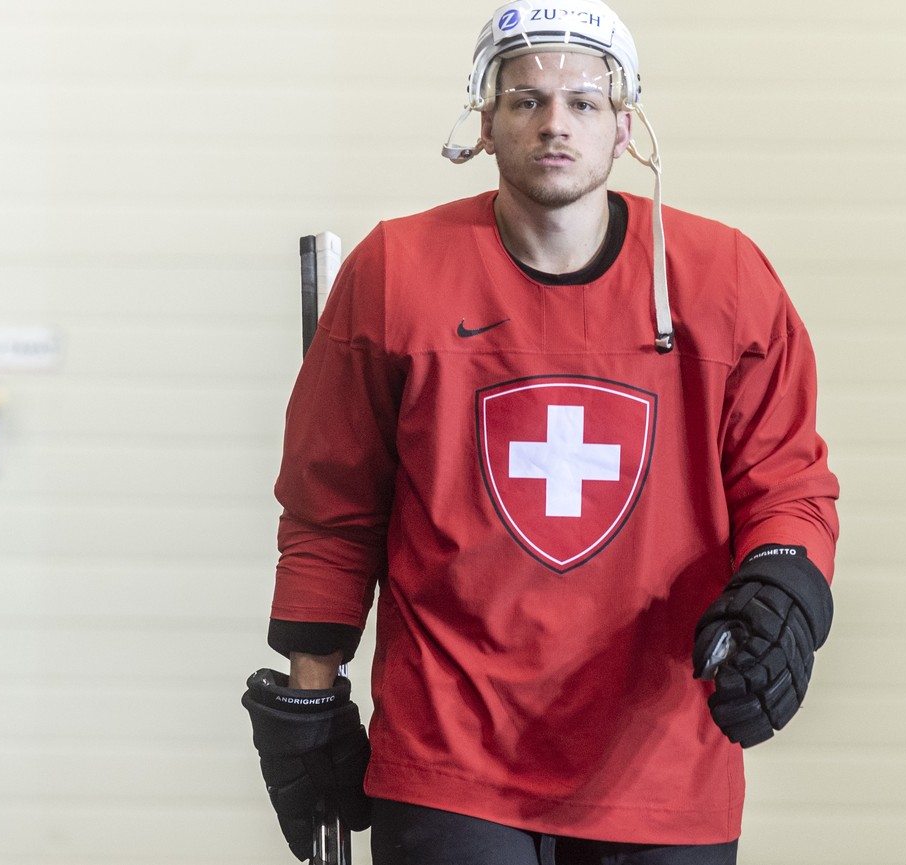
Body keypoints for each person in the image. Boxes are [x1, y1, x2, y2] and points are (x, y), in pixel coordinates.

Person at [243, 2, 840, 863]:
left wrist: (786, 591)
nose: (554, 122)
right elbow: (329, 511)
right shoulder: (394, 274)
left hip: (662, 759)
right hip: (452, 755)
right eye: (525, 100)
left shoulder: (727, 282)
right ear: (484, 123)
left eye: (583, 102)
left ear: (625, 127)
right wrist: (312, 687)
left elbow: (789, 487)